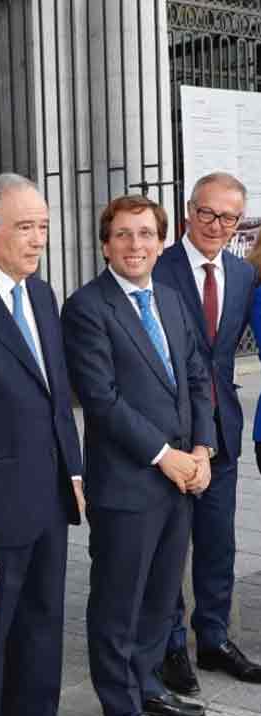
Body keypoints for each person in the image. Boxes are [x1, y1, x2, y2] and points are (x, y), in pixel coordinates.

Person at [63, 195, 214, 716]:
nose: (136, 244)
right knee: (117, 605)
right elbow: (102, 399)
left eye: (146, 234)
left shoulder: (171, 299)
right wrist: (164, 455)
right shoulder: (86, 307)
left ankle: (147, 686)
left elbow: (196, 376)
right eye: (124, 234)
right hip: (128, 485)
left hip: (180, 481)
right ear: (105, 244)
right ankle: (119, 702)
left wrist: (202, 449)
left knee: (160, 599)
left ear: (161, 240)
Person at [0, 173, 84, 716]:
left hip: (50, 502)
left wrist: (73, 473)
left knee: (41, 638)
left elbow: (55, 395)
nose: (37, 240)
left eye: (43, 227)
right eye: (24, 227)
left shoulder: (43, 293)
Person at [155, 172, 261, 692]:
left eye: (230, 218)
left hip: (223, 431)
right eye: (207, 214)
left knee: (218, 543)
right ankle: (172, 644)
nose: (217, 225)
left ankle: (214, 639)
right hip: (173, 434)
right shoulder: (157, 267)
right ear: (188, 211)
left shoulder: (242, 275)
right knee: (172, 544)